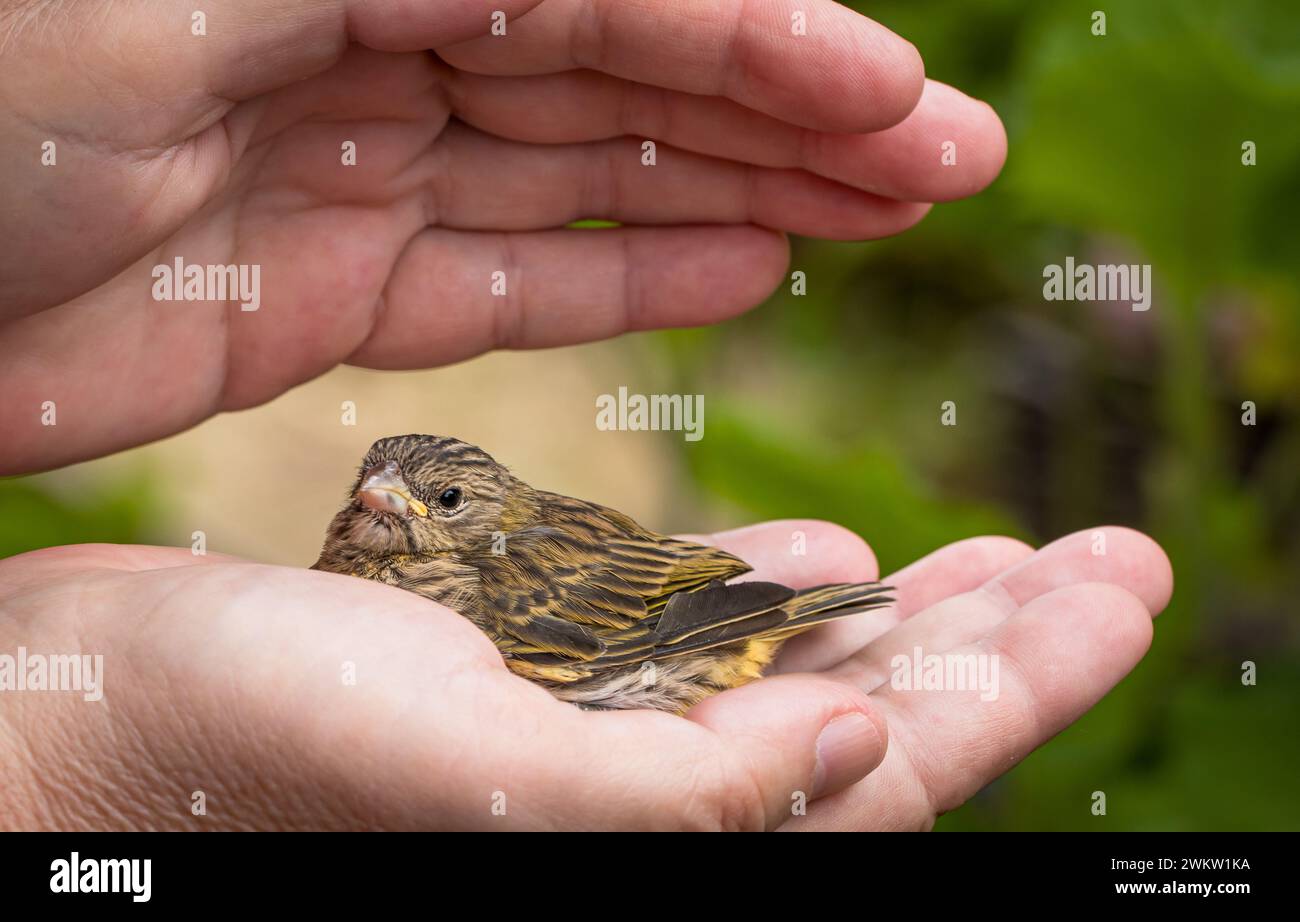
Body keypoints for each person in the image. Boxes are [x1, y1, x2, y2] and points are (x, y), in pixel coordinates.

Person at [0, 0, 1171, 830]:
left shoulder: (511, 591)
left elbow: (658, 616)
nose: (381, 504)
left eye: (434, 500)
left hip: (680, 640)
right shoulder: (372, 577)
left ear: (484, 516)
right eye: (379, 486)